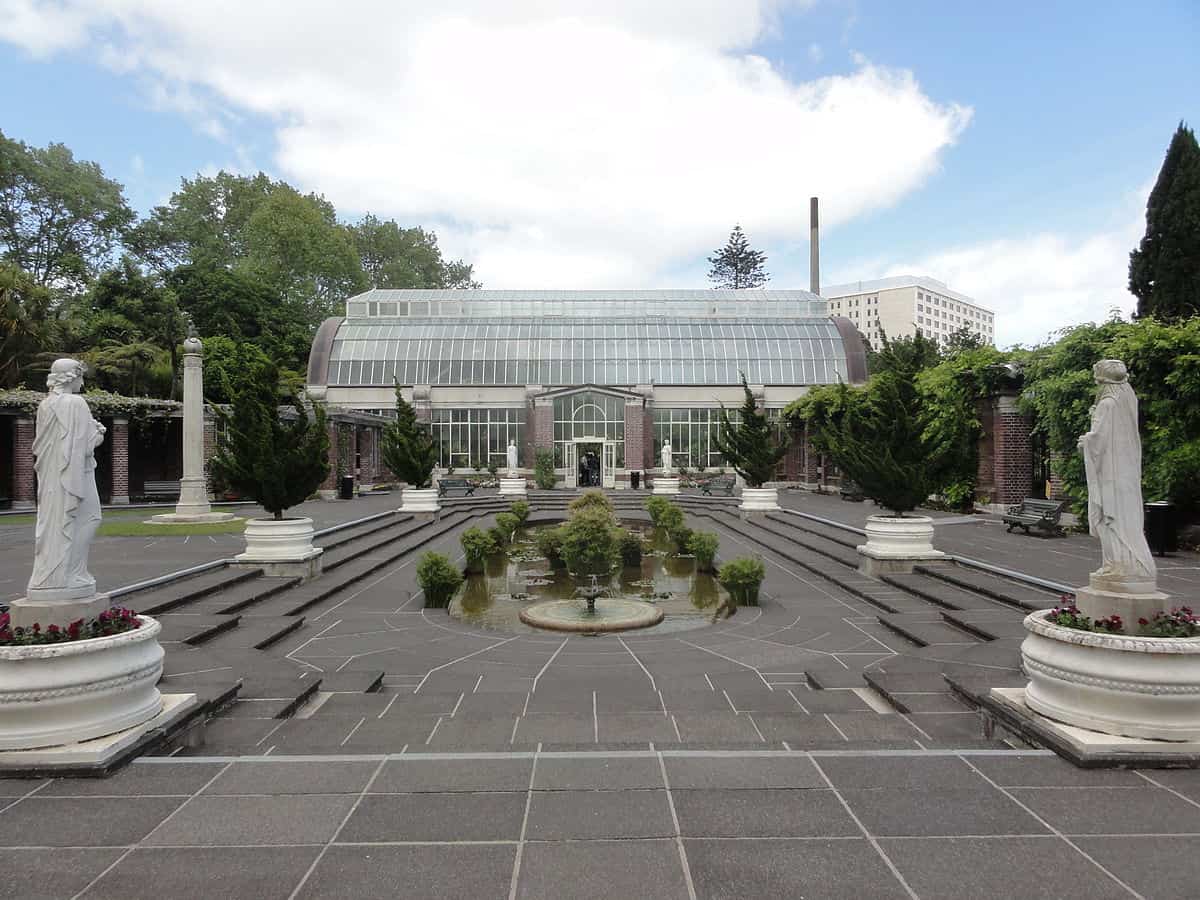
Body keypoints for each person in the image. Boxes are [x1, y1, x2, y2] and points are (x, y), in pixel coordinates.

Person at [28, 359, 106, 598]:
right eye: (80, 376)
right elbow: (84, 448)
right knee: (91, 517)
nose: (82, 382)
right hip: (75, 475)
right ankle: (73, 573)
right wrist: (99, 434)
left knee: (56, 521)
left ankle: (54, 575)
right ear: (71, 377)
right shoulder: (76, 403)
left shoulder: (45, 405)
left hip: (52, 478)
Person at [1078, 359, 1155, 585]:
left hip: (1110, 473)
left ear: (1103, 382)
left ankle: (1118, 565)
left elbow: (1099, 440)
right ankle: (1123, 565)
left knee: (1110, 519)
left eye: (1097, 381)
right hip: (1126, 470)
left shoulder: (1107, 404)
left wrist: (1086, 442)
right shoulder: (1128, 400)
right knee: (1125, 517)